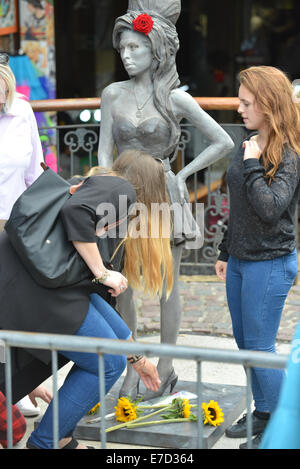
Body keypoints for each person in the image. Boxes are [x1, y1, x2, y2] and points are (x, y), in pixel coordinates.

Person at [97, 0, 234, 400]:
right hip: (120, 195)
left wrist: (183, 174)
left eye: (134, 48)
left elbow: (223, 140)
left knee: (168, 286)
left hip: (161, 196)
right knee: (121, 285)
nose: (126, 56)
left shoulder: (175, 98)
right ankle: (133, 365)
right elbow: (105, 150)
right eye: (121, 48)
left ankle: (168, 366)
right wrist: (105, 185)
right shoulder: (111, 94)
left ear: (155, 50)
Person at [0, 150, 166, 449]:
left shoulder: (104, 194)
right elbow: (75, 215)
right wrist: (103, 273)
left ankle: (57, 439)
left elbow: (98, 304)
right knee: (106, 364)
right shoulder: (120, 191)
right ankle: (47, 442)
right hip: (32, 288)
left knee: (105, 360)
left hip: (40, 288)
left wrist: (137, 358)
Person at [215, 65, 300, 449]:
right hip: (240, 259)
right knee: (243, 339)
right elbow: (240, 205)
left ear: (268, 104)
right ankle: (265, 410)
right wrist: (224, 249)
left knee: (260, 346)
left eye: (247, 102)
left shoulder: (289, 154)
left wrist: (252, 164)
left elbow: (270, 208)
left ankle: (285, 426)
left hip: (271, 261)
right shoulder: (248, 141)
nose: (239, 108)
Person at [0, 52, 46, 417]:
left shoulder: (23, 113)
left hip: (15, 228)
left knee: (17, 313)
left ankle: (15, 391)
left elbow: (34, 175)